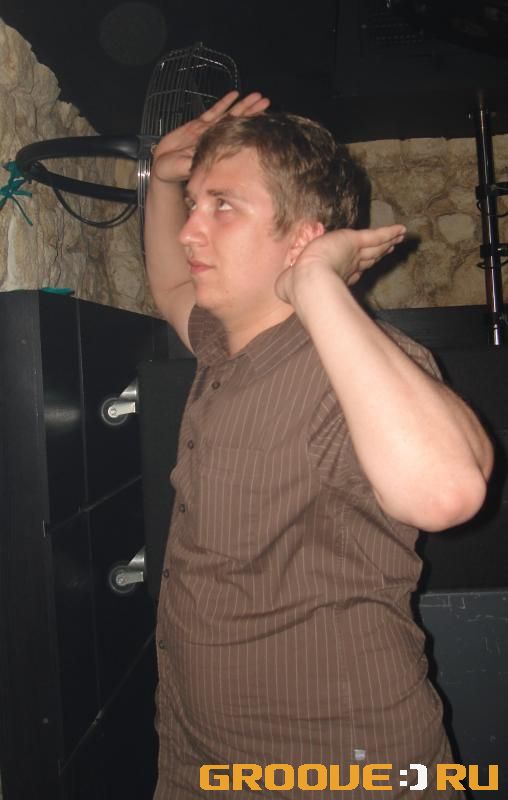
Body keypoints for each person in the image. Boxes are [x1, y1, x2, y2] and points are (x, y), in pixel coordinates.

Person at [144, 92, 493, 799]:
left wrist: (316, 283)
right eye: (195, 205)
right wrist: (158, 180)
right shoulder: (225, 346)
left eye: (222, 206)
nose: (189, 230)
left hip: (340, 765)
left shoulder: (359, 366)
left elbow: (447, 493)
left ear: (303, 238)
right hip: (197, 752)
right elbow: (170, 284)